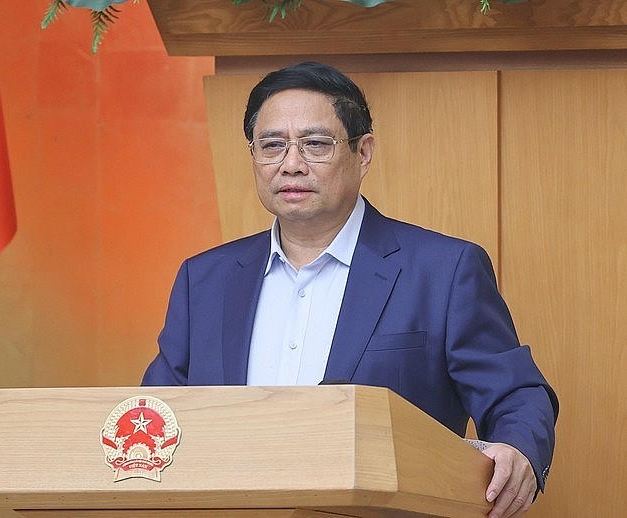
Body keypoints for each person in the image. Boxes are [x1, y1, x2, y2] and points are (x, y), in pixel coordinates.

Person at [142, 62, 558, 518]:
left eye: (316, 144)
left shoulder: (443, 270)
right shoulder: (204, 279)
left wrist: (518, 449)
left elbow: (516, 394)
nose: (291, 164)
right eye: (272, 145)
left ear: (363, 153)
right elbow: (156, 415)